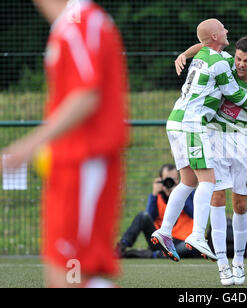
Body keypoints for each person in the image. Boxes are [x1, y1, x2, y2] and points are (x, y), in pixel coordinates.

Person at [0, 0, 129, 288]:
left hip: (84, 163)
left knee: (72, 277)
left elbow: (87, 94)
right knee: (64, 276)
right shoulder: (71, 24)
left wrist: (27, 145)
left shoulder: (79, 23)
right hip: (70, 165)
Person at [151, 18, 247, 263]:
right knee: (209, 181)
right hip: (192, 124)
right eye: (223, 29)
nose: (227, 31)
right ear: (215, 36)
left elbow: (201, 47)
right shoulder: (223, 61)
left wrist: (184, 53)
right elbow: (236, 93)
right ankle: (197, 236)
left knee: (188, 181)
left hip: (175, 120)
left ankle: (164, 230)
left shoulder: (207, 55)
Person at [175, 35, 247, 286]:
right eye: (238, 58)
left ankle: (239, 262)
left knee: (240, 205)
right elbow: (204, 46)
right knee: (216, 196)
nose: (241, 64)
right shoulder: (224, 66)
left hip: (240, 145)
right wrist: (184, 55)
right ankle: (222, 264)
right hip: (213, 138)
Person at [116, 164, 200, 259]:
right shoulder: (158, 195)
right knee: (142, 216)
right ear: (161, 180)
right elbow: (149, 217)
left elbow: (194, 214)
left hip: (182, 241)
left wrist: (180, 195)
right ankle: (121, 247)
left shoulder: (187, 193)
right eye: (168, 179)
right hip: (160, 240)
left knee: (191, 246)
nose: (171, 182)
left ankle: (155, 254)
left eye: (175, 179)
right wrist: (154, 195)